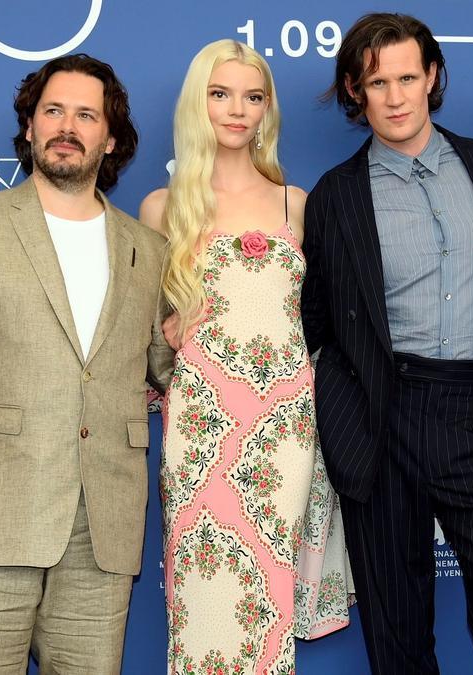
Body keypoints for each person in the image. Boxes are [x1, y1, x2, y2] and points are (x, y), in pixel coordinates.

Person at [301, 13, 473, 674]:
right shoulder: (336, 195)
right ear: (357, 92)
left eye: (406, 77)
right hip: (383, 417)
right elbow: (318, 321)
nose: (393, 96)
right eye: (375, 82)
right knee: (397, 630)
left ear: (432, 76)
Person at [0, 54, 173, 674]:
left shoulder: (148, 248)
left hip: (103, 525)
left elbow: (168, 367)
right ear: (29, 126)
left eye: (86, 115)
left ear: (110, 139)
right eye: (53, 110)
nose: (67, 126)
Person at [139, 40, 351, 674]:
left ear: (267, 111)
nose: (237, 110)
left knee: (267, 597)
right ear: (196, 103)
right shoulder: (160, 207)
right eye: (220, 94)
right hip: (201, 428)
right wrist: (169, 332)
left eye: (253, 97)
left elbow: (320, 321)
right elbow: (143, 338)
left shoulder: (297, 203)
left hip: (283, 431)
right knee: (203, 597)